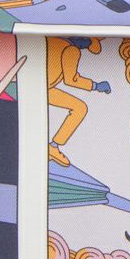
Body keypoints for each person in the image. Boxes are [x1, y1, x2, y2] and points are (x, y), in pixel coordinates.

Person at [46, 37, 110, 167]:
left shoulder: (53, 39)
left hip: (41, 85)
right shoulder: (71, 50)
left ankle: (53, 147)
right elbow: (71, 80)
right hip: (43, 88)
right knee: (80, 108)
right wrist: (96, 86)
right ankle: (53, 146)